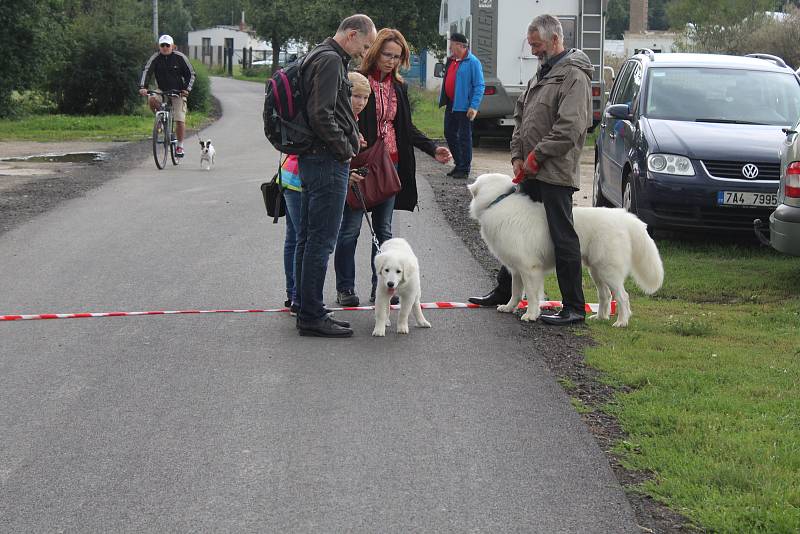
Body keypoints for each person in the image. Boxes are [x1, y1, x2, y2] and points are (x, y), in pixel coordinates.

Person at [469, 14, 592, 326]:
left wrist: (537, 155)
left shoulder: (573, 77)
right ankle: (505, 292)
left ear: (554, 40)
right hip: (531, 171)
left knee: (562, 236)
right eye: (531, 45)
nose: (533, 51)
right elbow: (520, 120)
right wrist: (516, 157)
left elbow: (570, 128)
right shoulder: (543, 73)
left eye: (537, 45)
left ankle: (574, 306)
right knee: (514, 234)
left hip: (555, 173)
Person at [333, 28, 452, 307]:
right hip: (361, 165)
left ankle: (383, 291)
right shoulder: (357, 81)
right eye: (387, 54)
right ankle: (345, 288)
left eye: (397, 57)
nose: (391, 61)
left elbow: (405, 127)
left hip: (392, 167)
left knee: (384, 232)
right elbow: (341, 116)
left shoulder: (399, 86)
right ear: (375, 52)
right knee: (350, 230)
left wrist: (433, 148)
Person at [294, 14, 377, 338]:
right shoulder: (330, 60)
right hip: (326, 161)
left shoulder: (318, 54)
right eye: (365, 45)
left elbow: (324, 110)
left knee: (308, 237)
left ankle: (305, 306)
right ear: (352, 34)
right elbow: (321, 114)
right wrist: (344, 147)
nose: (364, 53)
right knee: (321, 240)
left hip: (314, 158)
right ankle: (312, 314)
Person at [280, 72, 372, 316]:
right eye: (356, 96)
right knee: (303, 239)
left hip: (291, 175)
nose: (360, 102)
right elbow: (327, 153)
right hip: (298, 178)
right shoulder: (338, 114)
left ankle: (295, 296)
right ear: (344, 93)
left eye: (365, 98)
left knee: (296, 238)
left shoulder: (350, 116)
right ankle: (298, 298)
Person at [139, 35, 195, 158]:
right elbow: (146, 71)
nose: (165, 48)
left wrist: (186, 89)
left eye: (167, 45)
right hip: (162, 90)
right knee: (152, 99)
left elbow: (191, 74)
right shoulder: (155, 58)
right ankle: (160, 118)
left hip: (178, 92)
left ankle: (180, 146)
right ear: (159, 47)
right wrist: (143, 87)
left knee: (180, 119)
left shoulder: (180, 58)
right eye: (162, 45)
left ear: (173, 46)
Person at [438, 32, 484, 180]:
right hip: (452, 103)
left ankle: (464, 169)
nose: (450, 47)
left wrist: (474, 106)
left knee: (464, 137)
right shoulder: (452, 60)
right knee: (449, 133)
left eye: (452, 44)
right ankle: (459, 164)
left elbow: (479, 85)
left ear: (459, 45)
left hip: (464, 106)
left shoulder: (473, 62)